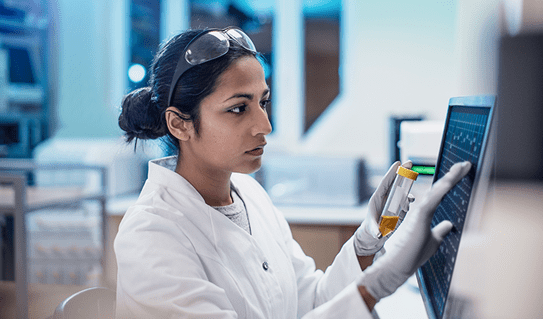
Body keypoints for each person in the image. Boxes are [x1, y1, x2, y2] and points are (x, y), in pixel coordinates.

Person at [114, 26, 471, 318]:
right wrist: (374, 287)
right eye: (239, 108)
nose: (264, 125)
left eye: (263, 102)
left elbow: (312, 302)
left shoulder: (250, 194)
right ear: (179, 124)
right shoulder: (152, 233)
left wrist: (368, 241)